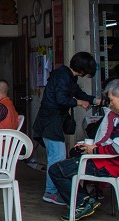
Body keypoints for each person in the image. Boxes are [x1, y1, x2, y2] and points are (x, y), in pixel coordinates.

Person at [47, 78, 119, 221]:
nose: (110, 104)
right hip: (117, 163)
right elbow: (117, 145)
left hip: (108, 165)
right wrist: (95, 147)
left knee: (56, 170)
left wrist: (93, 151)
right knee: (72, 160)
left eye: (111, 100)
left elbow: (116, 148)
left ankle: (82, 202)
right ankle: (85, 200)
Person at [31, 51, 103, 206]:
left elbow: (78, 93)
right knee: (57, 159)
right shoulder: (62, 76)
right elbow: (61, 98)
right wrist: (79, 102)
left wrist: (95, 100)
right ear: (83, 69)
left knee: (56, 157)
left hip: (51, 121)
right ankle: (51, 192)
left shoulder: (68, 76)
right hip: (50, 122)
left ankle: (53, 191)